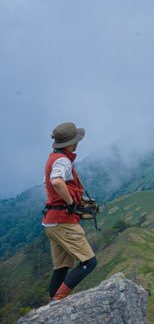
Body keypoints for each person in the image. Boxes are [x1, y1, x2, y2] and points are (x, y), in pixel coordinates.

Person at [42, 122, 97, 303]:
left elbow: (47, 184)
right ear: (71, 143)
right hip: (63, 221)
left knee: (62, 266)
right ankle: (59, 299)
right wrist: (71, 203)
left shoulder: (52, 158)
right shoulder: (63, 160)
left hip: (51, 222)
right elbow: (57, 181)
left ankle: (52, 302)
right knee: (89, 262)